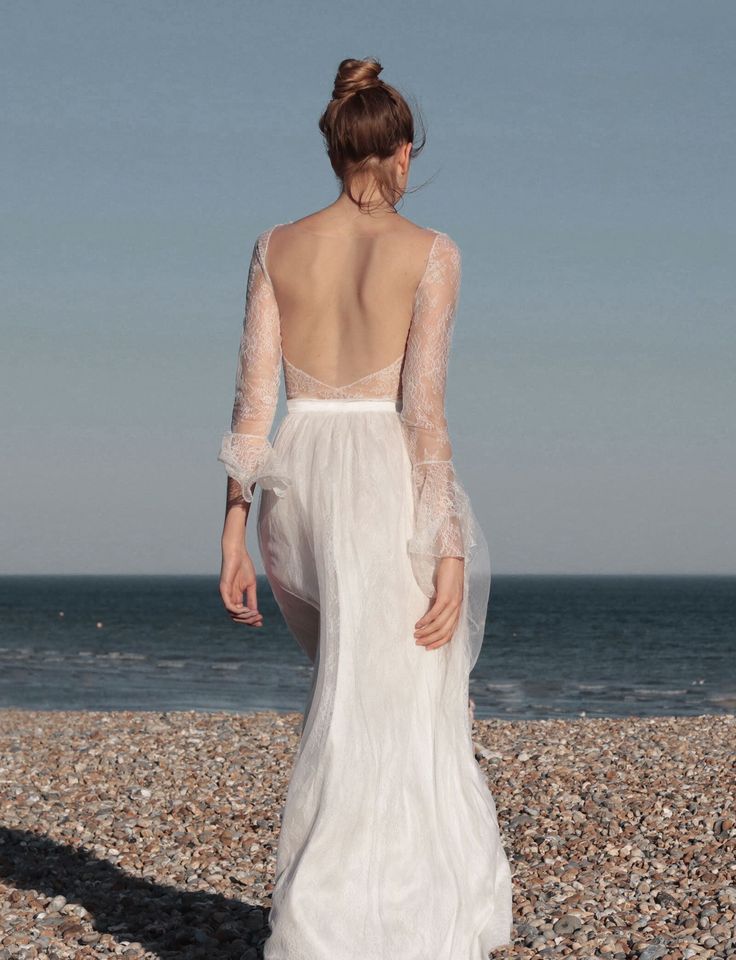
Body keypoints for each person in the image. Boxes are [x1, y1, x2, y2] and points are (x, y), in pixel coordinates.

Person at [217, 56, 512, 960]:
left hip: (295, 489)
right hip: (379, 484)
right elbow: (423, 413)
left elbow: (251, 403)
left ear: (338, 146)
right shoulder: (431, 253)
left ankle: (351, 913)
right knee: (391, 711)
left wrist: (232, 528)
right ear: (400, 153)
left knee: (346, 700)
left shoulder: (276, 246)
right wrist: (450, 541)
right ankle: (349, 927)